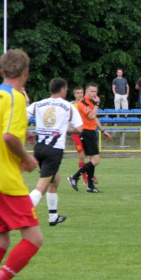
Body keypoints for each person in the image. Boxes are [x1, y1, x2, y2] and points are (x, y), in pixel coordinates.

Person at [0, 49, 43, 279]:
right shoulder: (16, 96)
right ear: (26, 72)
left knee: (2, 238)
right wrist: (27, 158)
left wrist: (22, 130)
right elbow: (8, 137)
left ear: (2, 71)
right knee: (34, 238)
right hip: (5, 179)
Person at [26, 78, 83, 226]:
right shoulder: (68, 106)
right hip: (54, 150)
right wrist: (68, 131)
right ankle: (21, 210)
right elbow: (79, 129)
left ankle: (53, 216)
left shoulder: (38, 104)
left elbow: (21, 118)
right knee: (42, 186)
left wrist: (27, 132)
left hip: (39, 148)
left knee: (55, 179)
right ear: (63, 90)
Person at [67, 83, 113, 193]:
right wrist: (97, 104)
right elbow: (91, 116)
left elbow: (94, 118)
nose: (94, 94)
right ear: (86, 92)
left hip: (91, 132)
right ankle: (74, 177)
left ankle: (90, 186)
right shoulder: (83, 102)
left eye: (95, 92)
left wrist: (103, 130)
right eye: (92, 91)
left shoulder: (90, 102)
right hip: (86, 132)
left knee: (92, 160)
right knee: (96, 160)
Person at [70, 87, 98, 185]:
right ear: (74, 95)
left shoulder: (88, 102)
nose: (79, 94)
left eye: (81, 93)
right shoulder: (72, 105)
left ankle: (90, 178)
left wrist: (103, 130)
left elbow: (93, 117)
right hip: (78, 133)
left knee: (91, 157)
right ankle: (84, 178)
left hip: (86, 131)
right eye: (77, 93)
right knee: (82, 155)